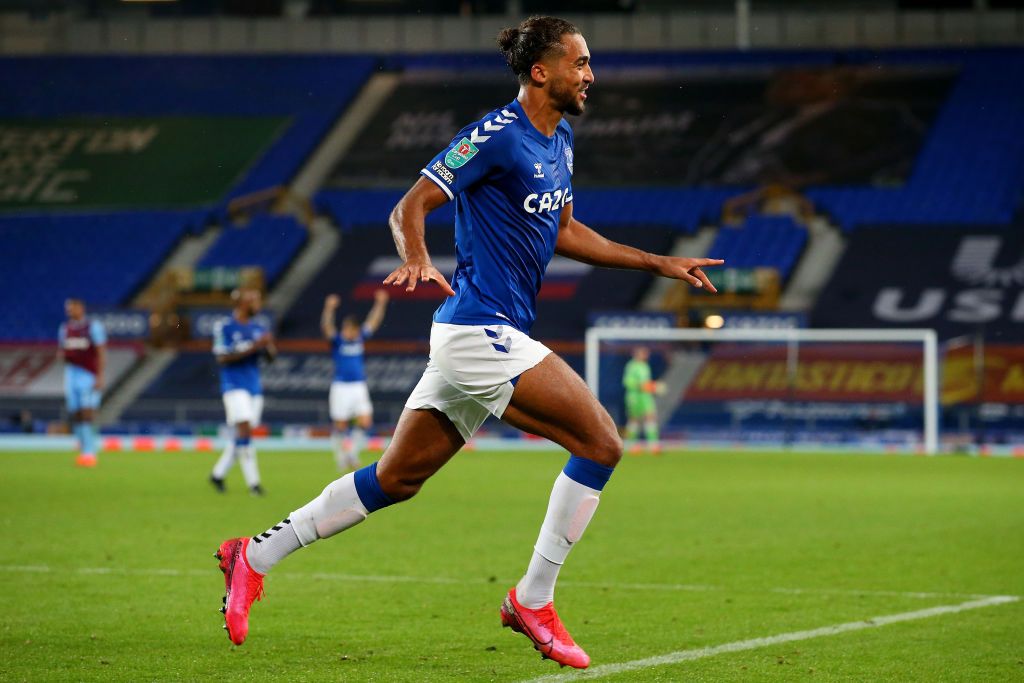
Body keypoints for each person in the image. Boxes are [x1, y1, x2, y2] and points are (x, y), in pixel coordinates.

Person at [215, 16, 722, 668]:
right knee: (601, 440)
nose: (591, 74)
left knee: (396, 479)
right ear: (542, 71)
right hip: (477, 329)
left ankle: (251, 555)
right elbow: (410, 206)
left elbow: (565, 231)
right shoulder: (494, 136)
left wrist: (659, 262)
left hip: (491, 333)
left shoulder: (560, 139)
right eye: (581, 63)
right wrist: (419, 255)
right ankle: (532, 598)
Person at [209, 288, 276, 496]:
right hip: (233, 386)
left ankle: (217, 474)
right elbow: (221, 357)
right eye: (255, 300)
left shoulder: (258, 327)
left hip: (254, 388)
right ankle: (254, 484)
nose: (259, 305)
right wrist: (254, 346)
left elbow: (271, 359)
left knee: (242, 436)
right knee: (245, 432)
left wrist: (268, 346)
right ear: (243, 303)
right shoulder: (225, 327)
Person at [321, 290, 390, 472]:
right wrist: (329, 308)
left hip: (358, 385)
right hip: (341, 387)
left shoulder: (359, 338)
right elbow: (327, 327)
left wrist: (380, 304)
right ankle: (340, 458)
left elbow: (373, 322)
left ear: (355, 329)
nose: (347, 332)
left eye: (350, 329)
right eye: (345, 328)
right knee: (341, 425)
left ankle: (351, 453)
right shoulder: (338, 341)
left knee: (366, 421)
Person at [58, 298, 106, 468]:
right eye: (67, 309)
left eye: (72, 308)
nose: (69, 311)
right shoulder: (65, 329)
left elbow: (101, 352)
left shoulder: (93, 327)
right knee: (76, 413)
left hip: (88, 375)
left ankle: (90, 453)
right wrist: (62, 357)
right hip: (71, 375)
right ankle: (84, 449)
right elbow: (63, 351)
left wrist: (100, 376)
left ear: (81, 308)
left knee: (87, 412)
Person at [622, 346, 662, 454]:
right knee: (634, 420)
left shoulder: (645, 366)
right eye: (644, 353)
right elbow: (627, 382)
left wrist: (653, 387)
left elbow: (646, 383)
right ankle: (632, 445)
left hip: (646, 397)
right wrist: (643, 386)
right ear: (637, 354)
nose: (646, 355)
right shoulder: (631, 366)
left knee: (650, 417)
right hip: (634, 397)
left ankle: (654, 446)